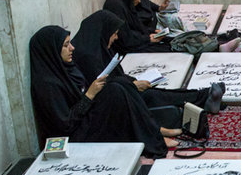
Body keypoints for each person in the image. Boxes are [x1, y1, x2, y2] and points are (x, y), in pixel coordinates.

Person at [29, 25, 170, 158]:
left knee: (119, 84)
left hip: (82, 121)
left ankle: (154, 132)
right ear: (51, 51)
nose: (72, 48)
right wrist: (90, 94)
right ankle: (153, 137)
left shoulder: (66, 70)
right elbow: (65, 126)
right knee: (115, 92)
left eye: (70, 43)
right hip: (73, 138)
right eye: (66, 45)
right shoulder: (48, 84)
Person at [70, 10, 225, 129]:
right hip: (112, 102)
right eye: (114, 34)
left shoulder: (98, 47)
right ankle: (203, 97)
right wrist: (132, 85)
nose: (116, 38)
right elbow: (101, 88)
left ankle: (203, 96)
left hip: (122, 90)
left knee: (157, 93)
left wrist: (132, 82)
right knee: (153, 97)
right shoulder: (87, 56)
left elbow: (114, 76)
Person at [102, 0, 168, 53]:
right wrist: (148, 38)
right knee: (165, 49)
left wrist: (152, 31)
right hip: (125, 47)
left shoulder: (124, 1)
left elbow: (136, 26)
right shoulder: (115, 6)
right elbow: (125, 37)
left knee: (169, 41)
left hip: (135, 40)